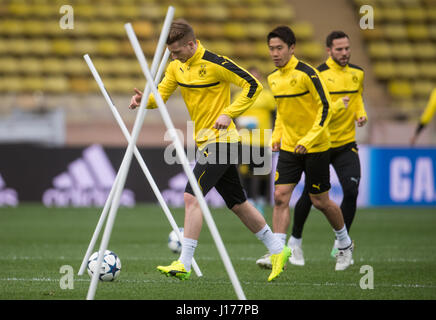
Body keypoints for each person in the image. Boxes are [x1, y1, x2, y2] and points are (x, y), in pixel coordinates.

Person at [129, 19, 290, 282]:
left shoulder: (216, 63)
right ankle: (277, 249)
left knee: (192, 197)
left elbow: (254, 85)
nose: (174, 56)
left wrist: (229, 113)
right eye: (170, 52)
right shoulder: (175, 67)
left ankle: (184, 262)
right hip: (205, 141)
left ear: (192, 44)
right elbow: (160, 96)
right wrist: (142, 101)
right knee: (238, 204)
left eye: (178, 51)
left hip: (224, 141)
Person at [255, 26, 354, 271]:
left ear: (292, 48)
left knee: (320, 201)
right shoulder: (273, 79)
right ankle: (278, 251)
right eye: (271, 49)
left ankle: (344, 243)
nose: (275, 53)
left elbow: (326, 109)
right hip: (289, 147)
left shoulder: (308, 74)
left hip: (316, 147)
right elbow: (282, 114)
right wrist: (277, 136)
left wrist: (308, 140)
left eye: (279, 48)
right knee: (279, 197)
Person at [287, 31, 367, 266]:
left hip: (345, 145)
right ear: (328, 51)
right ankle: (296, 241)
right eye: (339, 49)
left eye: (347, 48)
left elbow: (357, 98)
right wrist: (336, 106)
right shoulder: (318, 74)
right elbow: (314, 109)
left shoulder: (358, 73)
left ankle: (341, 245)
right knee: (311, 196)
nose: (345, 53)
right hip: (322, 143)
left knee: (351, 191)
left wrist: (360, 114)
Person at [236, 66, 276, 215]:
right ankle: (250, 200)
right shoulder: (240, 96)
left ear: (260, 78)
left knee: (262, 172)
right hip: (245, 140)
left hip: (263, 140)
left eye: (256, 76)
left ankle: (260, 200)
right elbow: (233, 117)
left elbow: (275, 116)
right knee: (245, 172)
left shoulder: (267, 96)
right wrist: (243, 122)